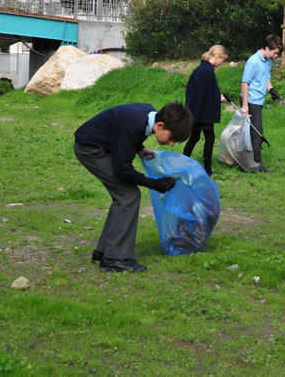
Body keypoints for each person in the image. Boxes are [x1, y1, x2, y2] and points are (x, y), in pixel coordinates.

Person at [74, 102, 193, 272]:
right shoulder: (134, 125)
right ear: (160, 125)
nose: (172, 143)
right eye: (172, 138)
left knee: (125, 196)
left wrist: (139, 148)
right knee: (128, 196)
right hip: (90, 150)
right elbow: (123, 170)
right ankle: (114, 259)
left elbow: (124, 133)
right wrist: (154, 184)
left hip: (102, 146)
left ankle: (104, 252)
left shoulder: (147, 116)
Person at [240, 35, 283, 173]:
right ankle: (257, 165)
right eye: (274, 52)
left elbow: (266, 78)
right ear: (266, 48)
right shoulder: (253, 61)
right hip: (251, 101)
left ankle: (251, 162)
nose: (275, 55)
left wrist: (271, 90)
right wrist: (245, 105)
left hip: (259, 101)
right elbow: (245, 83)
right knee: (257, 133)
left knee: (254, 132)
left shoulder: (267, 61)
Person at [183, 45, 228, 176]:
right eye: (222, 60)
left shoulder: (201, 69)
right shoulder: (206, 71)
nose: (222, 63)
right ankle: (207, 170)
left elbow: (202, 91)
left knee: (195, 137)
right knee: (209, 138)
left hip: (197, 111)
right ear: (217, 57)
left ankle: (184, 162)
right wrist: (217, 97)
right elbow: (202, 93)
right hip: (202, 112)